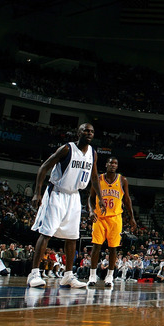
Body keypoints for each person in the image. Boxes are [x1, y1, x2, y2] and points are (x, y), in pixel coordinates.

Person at [27, 123, 100, 289]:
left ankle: (68, 276)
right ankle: (34, 273)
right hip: (57, 193)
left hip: (74, 196)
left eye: (92, 131)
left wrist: (97, 200)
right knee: (46, 233)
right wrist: (37, 192)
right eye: (86, 130)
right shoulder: (67, 149)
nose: (89, 133)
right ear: (78, 132)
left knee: (73, 237)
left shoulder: (92, 153)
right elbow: (44, 167)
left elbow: (94, 178)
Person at [87, 157, 137, 288]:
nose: (113, 165)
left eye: (115, 163)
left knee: (113, 248)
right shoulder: (98, 179)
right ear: (106, 164)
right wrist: (91, 211)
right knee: (96, 246)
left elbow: (127, 200)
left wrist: (132, 217)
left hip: (115, 218)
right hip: (100, 217)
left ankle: (110, 276)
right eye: (111, 163)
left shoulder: (122, 180)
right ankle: (92, 276)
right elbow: (91, 198)